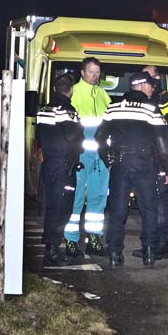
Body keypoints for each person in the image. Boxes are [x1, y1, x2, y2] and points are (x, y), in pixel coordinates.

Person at [95, 71, 168, 268]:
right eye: (150, 85)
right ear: (140, 86)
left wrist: (109, 159)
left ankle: (114, 253)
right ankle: (149, 253)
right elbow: (163, 143)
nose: (152, 88)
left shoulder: (113, 108)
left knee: (118, 210)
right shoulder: (151, 109)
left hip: (120, 164)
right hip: (145, 164)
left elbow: (99, 137)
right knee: (149, 209)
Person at [131, 65, 168, 261]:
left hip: (161, 156)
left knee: (161, 204)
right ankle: (150, 244)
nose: (144, 80)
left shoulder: (165, 98)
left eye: (148, 76)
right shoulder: (142, 98)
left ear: (156, 78)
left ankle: (161, 246)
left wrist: (157, 135)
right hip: (144, 158)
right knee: (148, 203)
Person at [36, 73, 84, 267]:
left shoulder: (44, 108)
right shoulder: (67, 109)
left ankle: (51, 247)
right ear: (70, 90)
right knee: (62, 209)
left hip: (49, 163)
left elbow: (39, 135)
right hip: (64, 166)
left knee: (52, 207)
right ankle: (53, 249)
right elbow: (74, 136)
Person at [66, 57, 111, 260]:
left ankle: (94, 240)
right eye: (91, 71)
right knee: (75, 201)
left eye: (97, 72)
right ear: (82, 73)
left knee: (98, 200)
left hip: (100, 159)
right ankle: (71, 241)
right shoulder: (73, 92)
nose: (95, 75)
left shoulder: (103, 95)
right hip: (80, 157)